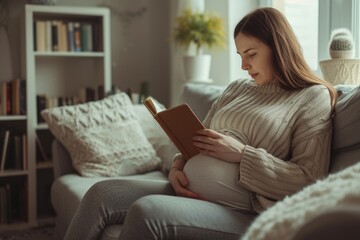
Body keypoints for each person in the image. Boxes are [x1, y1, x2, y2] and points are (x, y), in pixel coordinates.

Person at [64, 7, 337, 240]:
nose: (244, 65)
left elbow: (311, 180)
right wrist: (177, 166)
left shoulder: (312, 97)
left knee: (147, 212)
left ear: (278, 48)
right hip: (193, 191)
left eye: (251, 54)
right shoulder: (237, 89)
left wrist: (242, 154)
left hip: (248, 211)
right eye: (240, 55)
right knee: (101, 193)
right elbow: (196, 139)